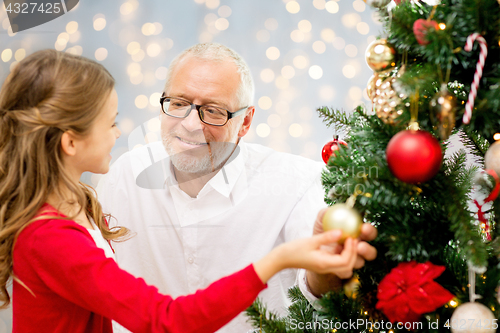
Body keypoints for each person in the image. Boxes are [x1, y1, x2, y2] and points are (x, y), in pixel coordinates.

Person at [0, 49, 366, 333]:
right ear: (70, 142)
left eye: (213, 111)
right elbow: (167, 320)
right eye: (177, 104)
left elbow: (323, 294)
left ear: (246, 121)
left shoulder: (75, 202)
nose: (190, 125)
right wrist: (277, 260)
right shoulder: (59, 227)